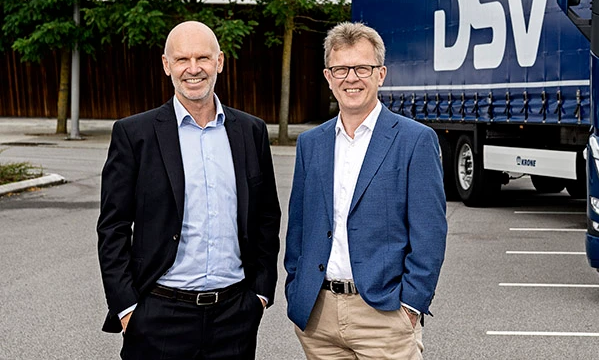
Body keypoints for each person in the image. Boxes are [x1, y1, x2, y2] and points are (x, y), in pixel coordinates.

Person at [96, 21, 281, 359]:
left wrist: (260, 294)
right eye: (182, 59)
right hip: (159, 315)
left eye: (203, 58)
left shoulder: (251, 132)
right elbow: (113, 227)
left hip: (235, 317)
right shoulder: (133, 134)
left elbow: (267, 215)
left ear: (220, 62)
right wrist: (127, 308)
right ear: (166, 65)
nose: (193, 69)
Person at [285, 21, 447, 359]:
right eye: (341, 69)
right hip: (319, 317)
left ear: (381, 73)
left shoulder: (415, 141)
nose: (351, 78)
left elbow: (429, 234)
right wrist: (296, 289)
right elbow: (299, 227)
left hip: (384, 316)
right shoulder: (311, 144)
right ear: (328, 76)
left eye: (362, 67)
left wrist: (410, 305)